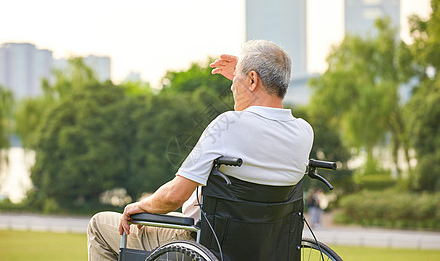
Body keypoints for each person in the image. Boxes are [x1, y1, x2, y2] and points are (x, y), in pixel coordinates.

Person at [87, 40, 314, 260]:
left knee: (99, 224)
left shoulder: (228, 125)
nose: (233, 87)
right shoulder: (304, 133)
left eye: (236, 80)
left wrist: (139, 205)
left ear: (252, 79)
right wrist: (244, 71)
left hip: (201, 245)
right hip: (266, 248)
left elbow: (174, 196)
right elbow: (258, 132)